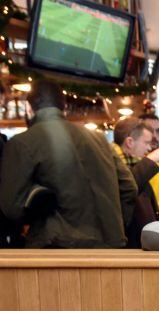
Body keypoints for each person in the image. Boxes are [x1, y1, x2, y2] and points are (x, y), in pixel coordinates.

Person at [0, 79, 137, 248]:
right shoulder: (99, 138)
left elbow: (11, 207)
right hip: (111, 246)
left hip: (57, 248)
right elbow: (129, 187)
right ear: (64, 108)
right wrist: (115, 227)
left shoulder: (21, 143)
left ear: (29, 109)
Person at [112, 116, 159, 248]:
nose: (149, 148)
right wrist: (150, 160)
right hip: (129, 245)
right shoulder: (113, 164)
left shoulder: (133, 163)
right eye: (146, 142)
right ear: (129, 142)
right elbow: (127, 187)